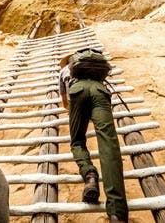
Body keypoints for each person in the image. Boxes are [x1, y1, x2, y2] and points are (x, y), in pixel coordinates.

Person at [59, 52, 128, 223]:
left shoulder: (64, 72)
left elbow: (65, 102)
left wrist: (77, 114)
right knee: (109, 146)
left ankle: (89, 175)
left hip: (77, 92)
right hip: (99, 91)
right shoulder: (96, 70)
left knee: (77, 141)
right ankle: (117, 213)